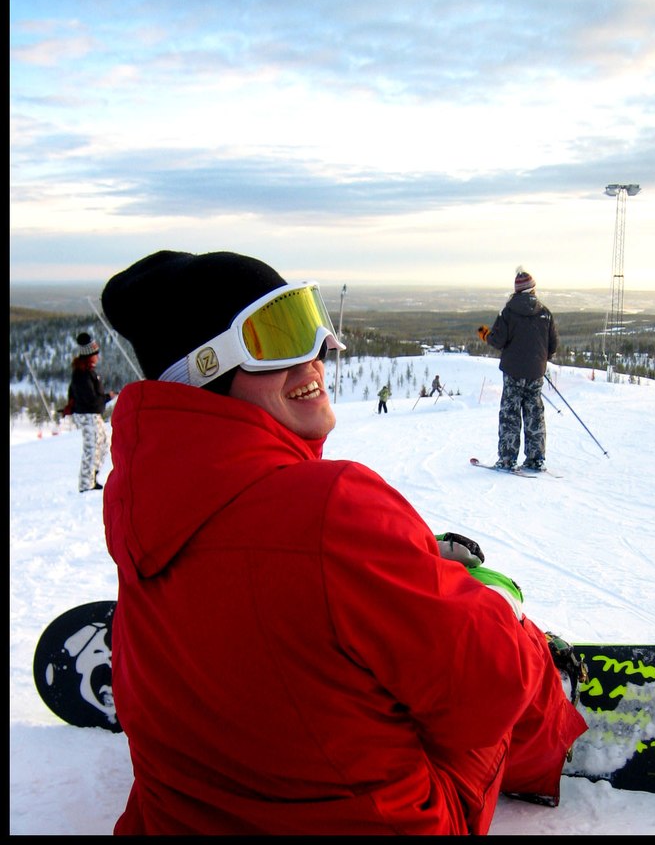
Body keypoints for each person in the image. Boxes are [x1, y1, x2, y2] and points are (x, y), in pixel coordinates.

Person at [101, 250, 586, 836]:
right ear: (206, 369)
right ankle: (558, 708)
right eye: (277, 337)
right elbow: (488, 693)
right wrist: (498, 619)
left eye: (310, 326)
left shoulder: (145, 506)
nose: (314, 356)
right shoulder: (332, 509)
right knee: (503, 638)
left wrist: (400, 557)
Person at [478, 269, 558, 472]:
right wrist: (540, 360)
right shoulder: (545, 313)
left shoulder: (508, 312)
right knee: (534, 413)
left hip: (513, 371)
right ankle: (535, 459)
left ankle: (507, 459)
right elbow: (553, 346)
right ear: (533, 289)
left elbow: (497, 340)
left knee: (510, 414)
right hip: (536, 372)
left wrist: (484, 334)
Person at [68, 332, 116, 492]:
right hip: (87, 415)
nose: (98, 356)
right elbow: (90, 399)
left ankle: (92, 477)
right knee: (92, 447)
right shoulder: (82, 375)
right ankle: (85, 484)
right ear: (90, 355)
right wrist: (106, 398)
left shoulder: (86, 372)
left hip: (91, 414)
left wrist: (104, 398)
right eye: (96, 354)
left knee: (102, 443)